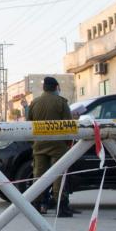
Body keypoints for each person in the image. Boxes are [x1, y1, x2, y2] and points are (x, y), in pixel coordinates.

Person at [27, 76, 75, 217]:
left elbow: (28, 126)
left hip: (39, 145)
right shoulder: (61, 102)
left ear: (44, 88)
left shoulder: (34, 103)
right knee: (58, 175)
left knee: (39, 176)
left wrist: (34, 143)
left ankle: (36, 205)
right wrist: (67, 143)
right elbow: (68, 125)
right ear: (56, 87)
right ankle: (61, 207)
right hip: (58, 145)